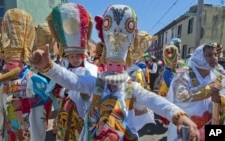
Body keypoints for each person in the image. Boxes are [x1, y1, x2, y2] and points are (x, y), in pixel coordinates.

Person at [30, 4, 200, 141]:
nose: (113, 70)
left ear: (125, 65)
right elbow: (72, 80)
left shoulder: (130, 88)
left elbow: (155, 101)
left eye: (117, 65)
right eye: (110, 63)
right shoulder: (96, 84)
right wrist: (48, 66)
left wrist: (178, 116)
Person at [0, 8, 51, 141]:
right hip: (10, 130)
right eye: (6, 62)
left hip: (28, 130)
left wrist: (24, 104)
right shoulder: (5, 82)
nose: (6, 66)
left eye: (12, 63)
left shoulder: (34, 79)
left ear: (22, 62)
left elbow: (45, 100)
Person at [45, 3, 98, 140]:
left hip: (83, 111)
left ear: (83, 56)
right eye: (72, 56)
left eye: (77, 57)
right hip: (65, 108)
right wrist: (65, 92)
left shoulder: (91, 69)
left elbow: (96, 91)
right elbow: (55, 88)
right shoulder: (63, 69)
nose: (74, 59)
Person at [166, 43, 225, 141]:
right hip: (186, 127)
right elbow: (181, 95)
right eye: (209, 55)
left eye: (215, 55)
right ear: (199, 56)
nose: (215, 58)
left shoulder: (218, 73)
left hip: (211, 124)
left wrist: (219, 99)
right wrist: (207, 90)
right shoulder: (183, 72)